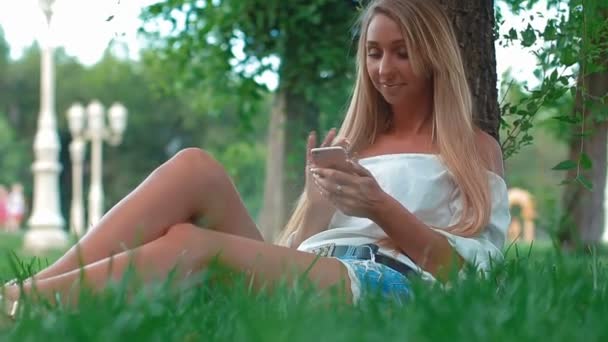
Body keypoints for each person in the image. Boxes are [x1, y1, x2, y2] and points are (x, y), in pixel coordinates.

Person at [1, 0, 510, 318]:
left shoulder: (471, 151)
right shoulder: (355, 142)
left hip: (389, 285)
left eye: (402, 52)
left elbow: (469, 275)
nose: (384, 68)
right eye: (374, 53)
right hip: (317, 269)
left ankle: (29, 308)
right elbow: (290, 250)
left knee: (191, 244)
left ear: (434, 57)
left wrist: (379, 207)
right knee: (194, 166)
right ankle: (26, 292)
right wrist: (314, 205)